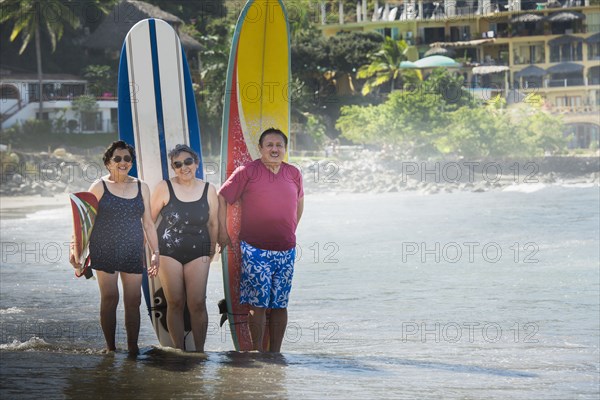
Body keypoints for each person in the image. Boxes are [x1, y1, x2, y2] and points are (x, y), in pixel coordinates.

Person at [218, 128, 304, 352]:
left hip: (286, 249)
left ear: (285, 148)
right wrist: (221, 231)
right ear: (260, 148)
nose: (275, 149)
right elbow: (222, 197)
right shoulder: (247, 171)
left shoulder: (294, 173)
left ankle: (275, 353)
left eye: (279, 145)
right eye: (270, 145)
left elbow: (299, 203)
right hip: (255, 249)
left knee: (280, 304)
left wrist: (291, 230)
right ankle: (257, 352)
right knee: (258, 304)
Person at [69, 140, 160, 355]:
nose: (123, 162)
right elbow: (83, 221)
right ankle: (110, 348)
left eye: (127, 158)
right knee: (110, 298)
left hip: (131, 249)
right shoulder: (99, 186)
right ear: (108, 163)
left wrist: (155, 252)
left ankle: (132, 347)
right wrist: (76, 250)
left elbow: (148, 222)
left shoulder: (141, 186)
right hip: (104, 247)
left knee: (133, 300)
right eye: (117, 158)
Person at [151, 144, 218, 352]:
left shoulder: (209, 189)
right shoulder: (164, 187)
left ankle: (200, 352)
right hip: (168, 251)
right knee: (176, 302)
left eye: (188, 162)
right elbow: (149, 221)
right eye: (177, 164)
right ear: (173, 168)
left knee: (197, 303)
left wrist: (211, 249)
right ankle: (179, 351)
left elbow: (213, 223)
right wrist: (152, 251)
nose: (183, 167)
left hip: (199, 251)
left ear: (196, 163)